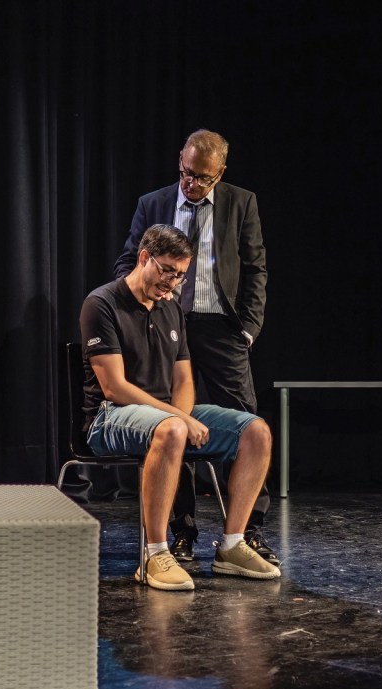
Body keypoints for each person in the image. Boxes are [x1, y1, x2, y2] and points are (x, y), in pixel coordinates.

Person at [83, 224, 279, 590]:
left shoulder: (171, 309)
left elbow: (184, 380)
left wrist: (183, 415)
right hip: (110, 417)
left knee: (256, 431)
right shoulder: (103, 303)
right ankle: (154, 553)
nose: (172, 282)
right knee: (172, 428)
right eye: (167, 271)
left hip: (166, 416)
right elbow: (115, 387)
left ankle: (232, 544)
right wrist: (177, 418)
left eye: (180, 275)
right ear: (144, 257)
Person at [113, 128, 276, 566]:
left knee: (246, 426)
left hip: (221, 329)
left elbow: (256, 268)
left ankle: (246, 532)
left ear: (220, 173)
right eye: (186, 173)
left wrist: (248, 329)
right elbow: (129, 261)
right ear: (180, 162)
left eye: (203, 178)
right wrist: (137, 314)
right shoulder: (153, 203)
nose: (192, 183)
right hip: (166, 325)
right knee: (172, 422)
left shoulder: (241, 202)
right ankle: (180, 532)